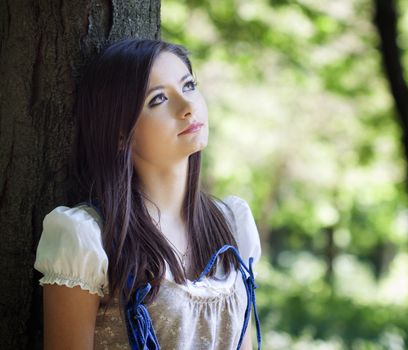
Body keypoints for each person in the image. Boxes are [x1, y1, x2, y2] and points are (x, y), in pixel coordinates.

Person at [34, 39, 262, 350]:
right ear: (119, 133)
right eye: (158, 100)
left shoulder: (232, 223)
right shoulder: (87, 239)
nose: (187, 107)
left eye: (189, 86)